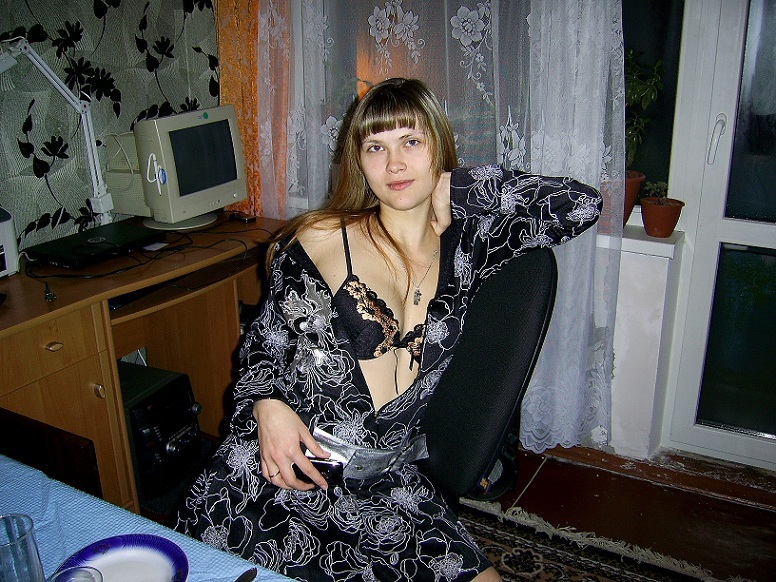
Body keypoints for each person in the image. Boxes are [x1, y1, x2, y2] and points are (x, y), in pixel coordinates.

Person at [176, 77, 602, 581]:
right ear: (359, 161)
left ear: (438, 148)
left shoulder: (472, 246)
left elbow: (582, 205)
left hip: (387, 486)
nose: (394, 164)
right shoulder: (320, 239)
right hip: (286, 475)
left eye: (412, 142)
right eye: (375, 147)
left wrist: (457, 186)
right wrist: (266, 404)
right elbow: (264, 342)